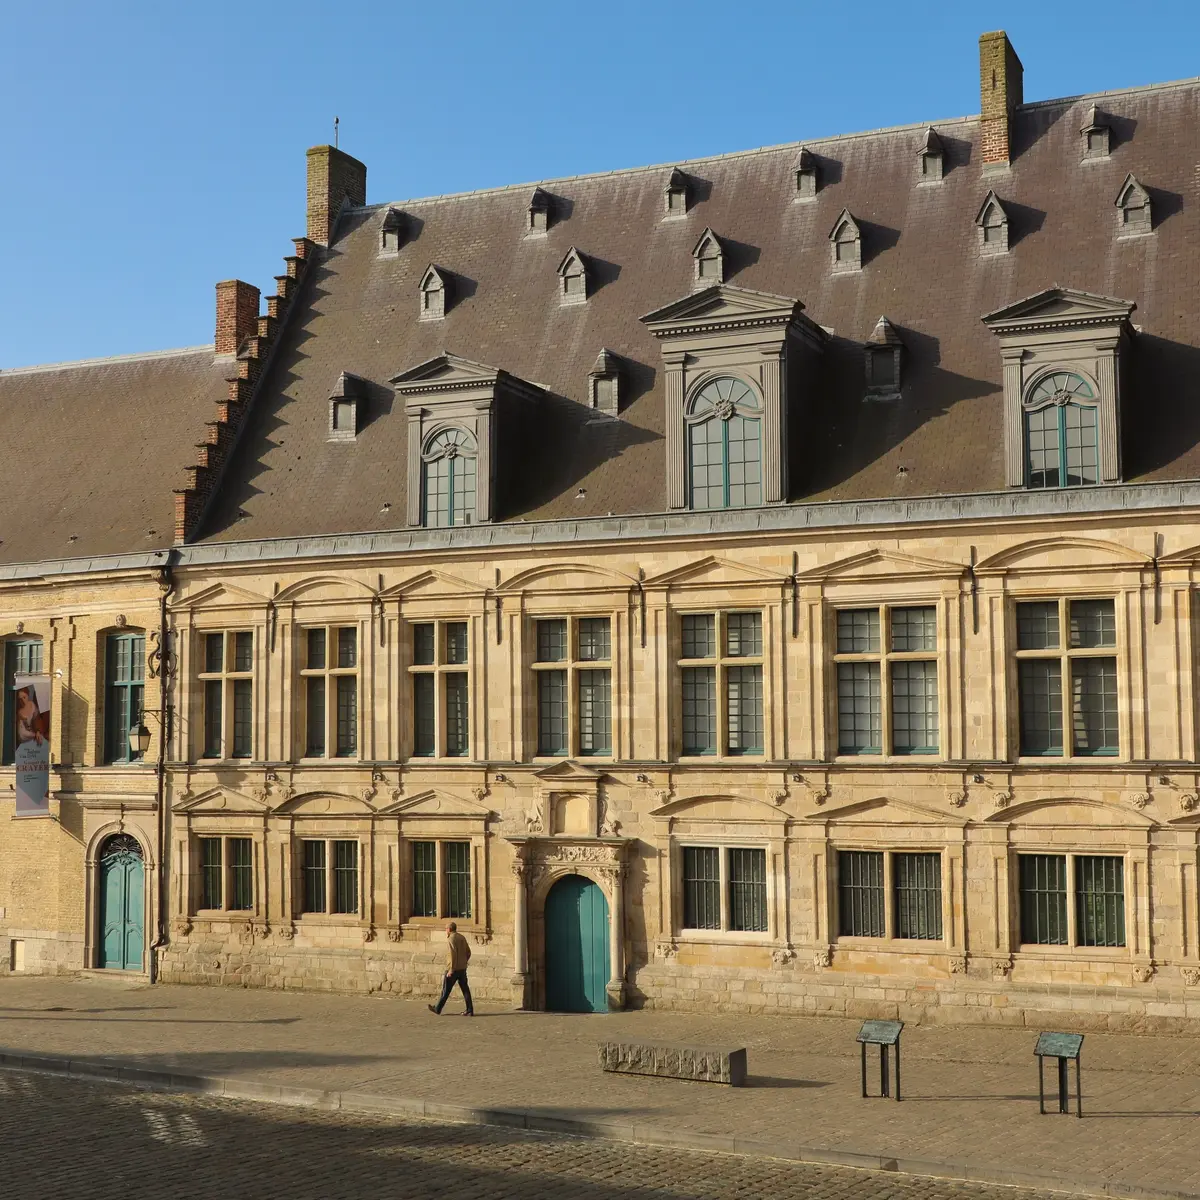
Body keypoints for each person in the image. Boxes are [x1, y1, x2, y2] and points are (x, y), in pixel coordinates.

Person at [428, 921, 473, 1016]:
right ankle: (469, 1010)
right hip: (462, 968)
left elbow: (452, 955)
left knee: (446, 990)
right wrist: (464, 961)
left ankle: (438, 1008)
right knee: (465, 989)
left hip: (453, 969)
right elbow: (468, 952)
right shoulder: (461, 937)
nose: (445, 931)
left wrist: (451, 969)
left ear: (449, 929)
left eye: (446, 929)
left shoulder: (451, 939)